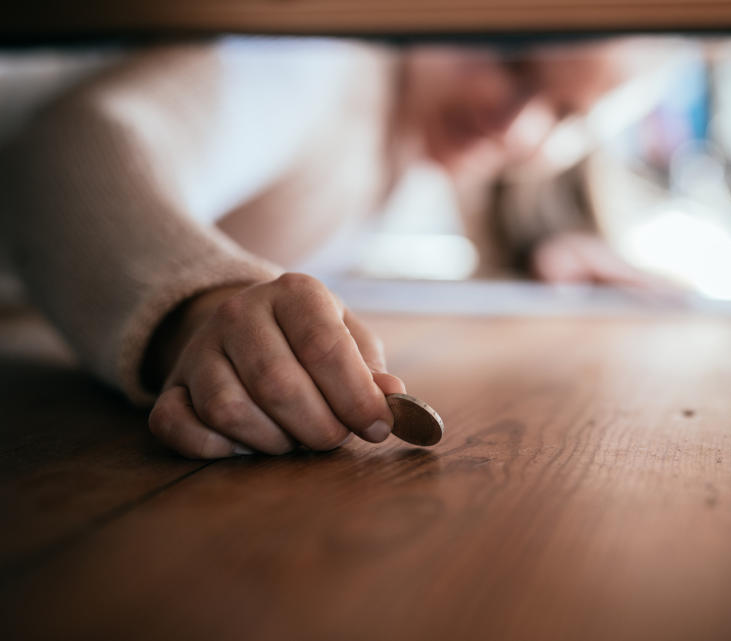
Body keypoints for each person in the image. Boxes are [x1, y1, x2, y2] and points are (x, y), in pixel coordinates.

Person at [0, 36, 647, 458]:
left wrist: (545, 249)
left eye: (566, 113)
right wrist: (197, 305)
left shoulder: (409, 146)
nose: (517, 125)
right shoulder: (323, 61)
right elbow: (66, 151)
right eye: (512, 60)